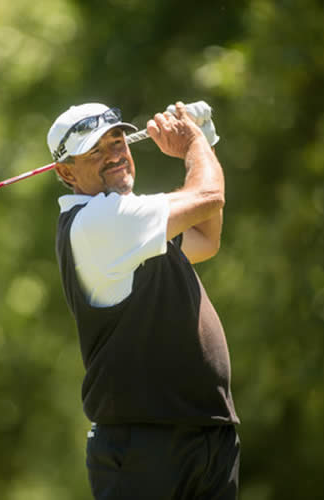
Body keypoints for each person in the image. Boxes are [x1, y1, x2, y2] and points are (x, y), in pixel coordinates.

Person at [48, 101, 240, 500]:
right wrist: (194, 143)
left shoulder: (132, 222)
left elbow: (205, 239)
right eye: (95, 150)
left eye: (117, 141)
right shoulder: (97, 223)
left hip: (206, 436)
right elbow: (209, 196)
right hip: (146, 445)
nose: (114, 154)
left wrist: (203, 145)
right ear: (66, 172)